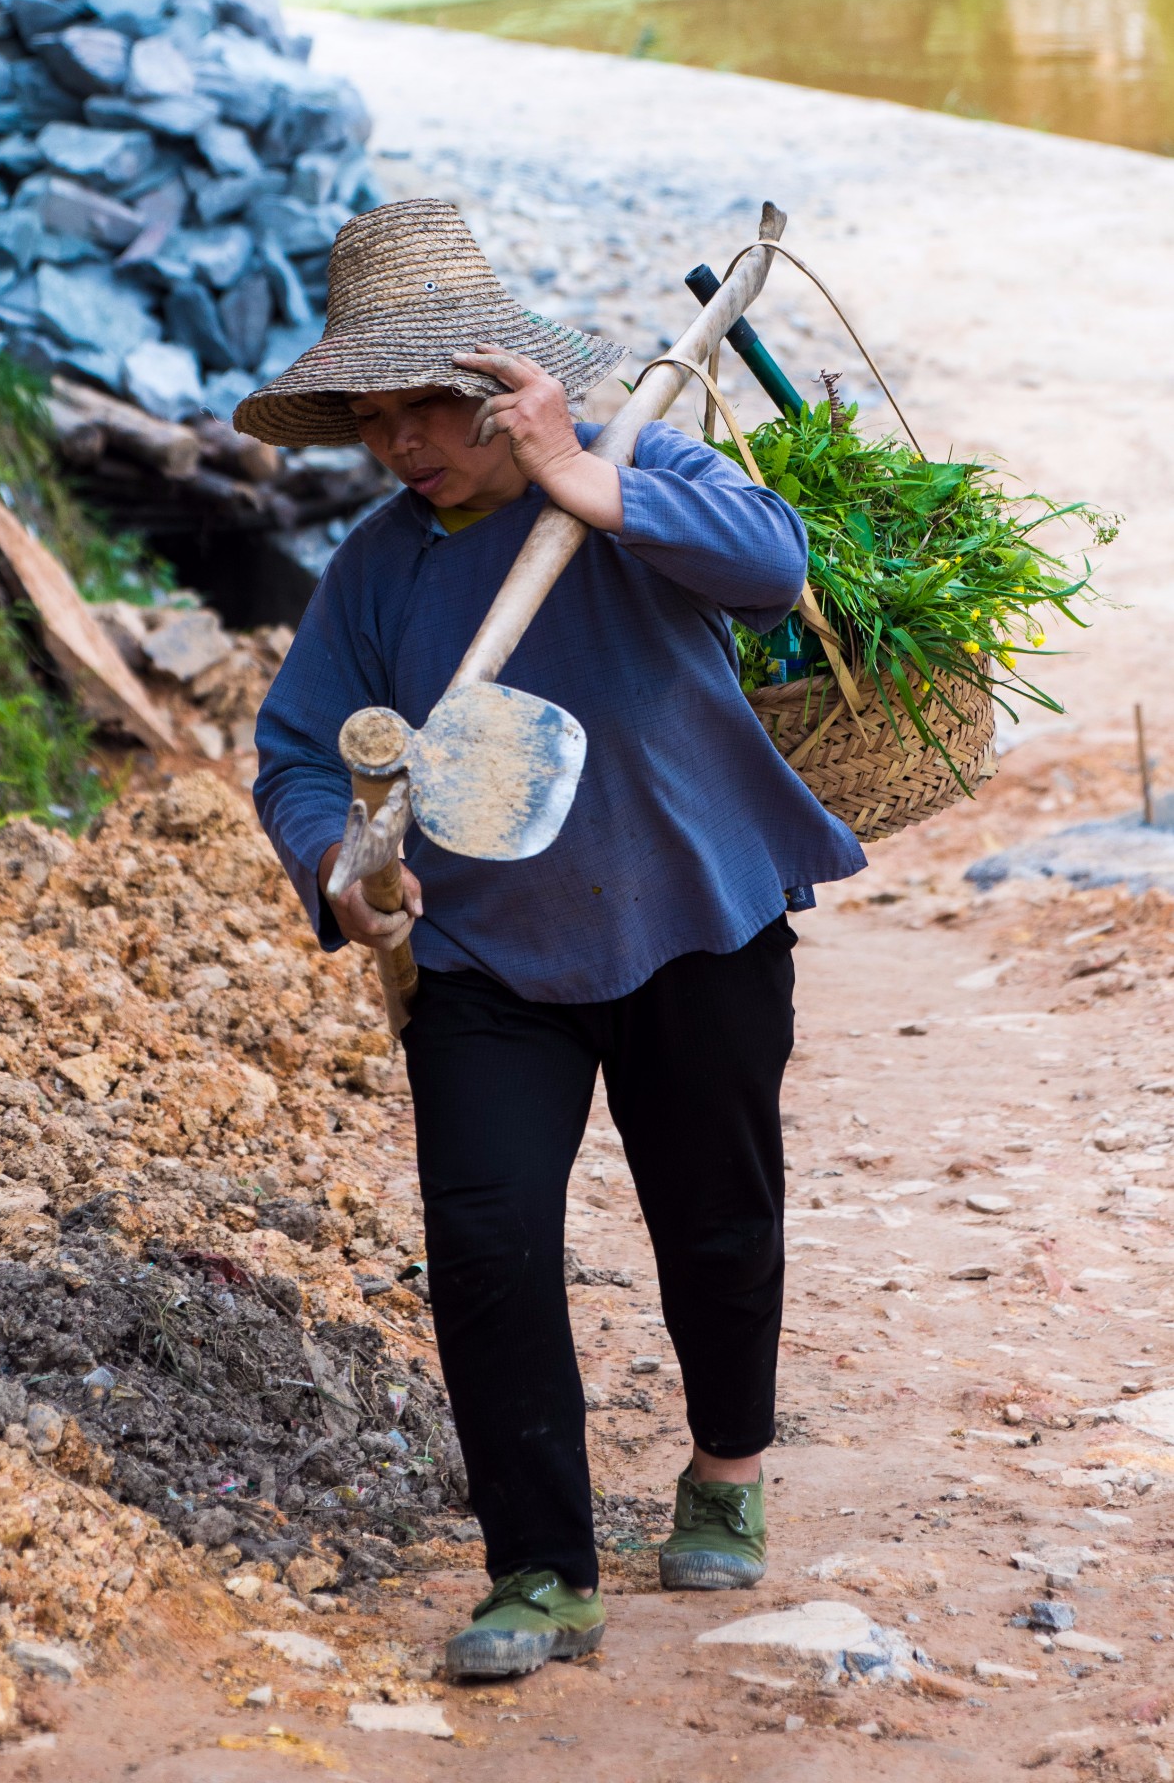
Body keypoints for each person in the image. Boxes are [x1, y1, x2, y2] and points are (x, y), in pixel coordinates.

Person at [239, 197, 865, 1679]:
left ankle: (723, 1470)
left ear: (509, 390)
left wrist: (587, 480)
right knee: (485, 1241)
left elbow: (771, 570)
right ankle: (538, 1569)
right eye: (380, 420)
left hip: (693, 916)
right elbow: (295, 750)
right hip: (482, 955)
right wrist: (336, 864)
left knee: (713, 1213)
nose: (407, 447)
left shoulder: (637, 464)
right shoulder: (378, 571)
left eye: (434, 413)